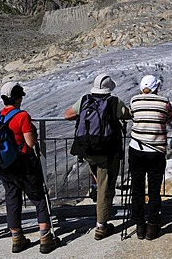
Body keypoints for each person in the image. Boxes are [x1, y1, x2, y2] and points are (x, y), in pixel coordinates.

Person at [64, 73, 130, 240]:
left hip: (88, 150)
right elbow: (126, 114)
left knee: (98, 180)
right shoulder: (114, 102)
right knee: (105, 188)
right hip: (107, 151)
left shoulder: (85, 99)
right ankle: (101, 226)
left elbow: (68, 115)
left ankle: (96, 198)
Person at [0, 82, 60, 254]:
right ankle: (45, 239)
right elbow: (30, 142)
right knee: (39, 198)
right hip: (24, 164)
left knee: (12, 200)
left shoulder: (0, 116)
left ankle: (17, 240)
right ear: (18, 98)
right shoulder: (22, 116)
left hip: (6, 167)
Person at [128, 75, 172, 240]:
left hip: (136, 149)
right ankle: (153, 226)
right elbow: (169, 118)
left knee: (137, 188)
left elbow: (133, 116)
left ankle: (140, 225)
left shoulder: (134, 100)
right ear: (156, 88)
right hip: (155, 151)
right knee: (154, 190)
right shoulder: (164, 102)